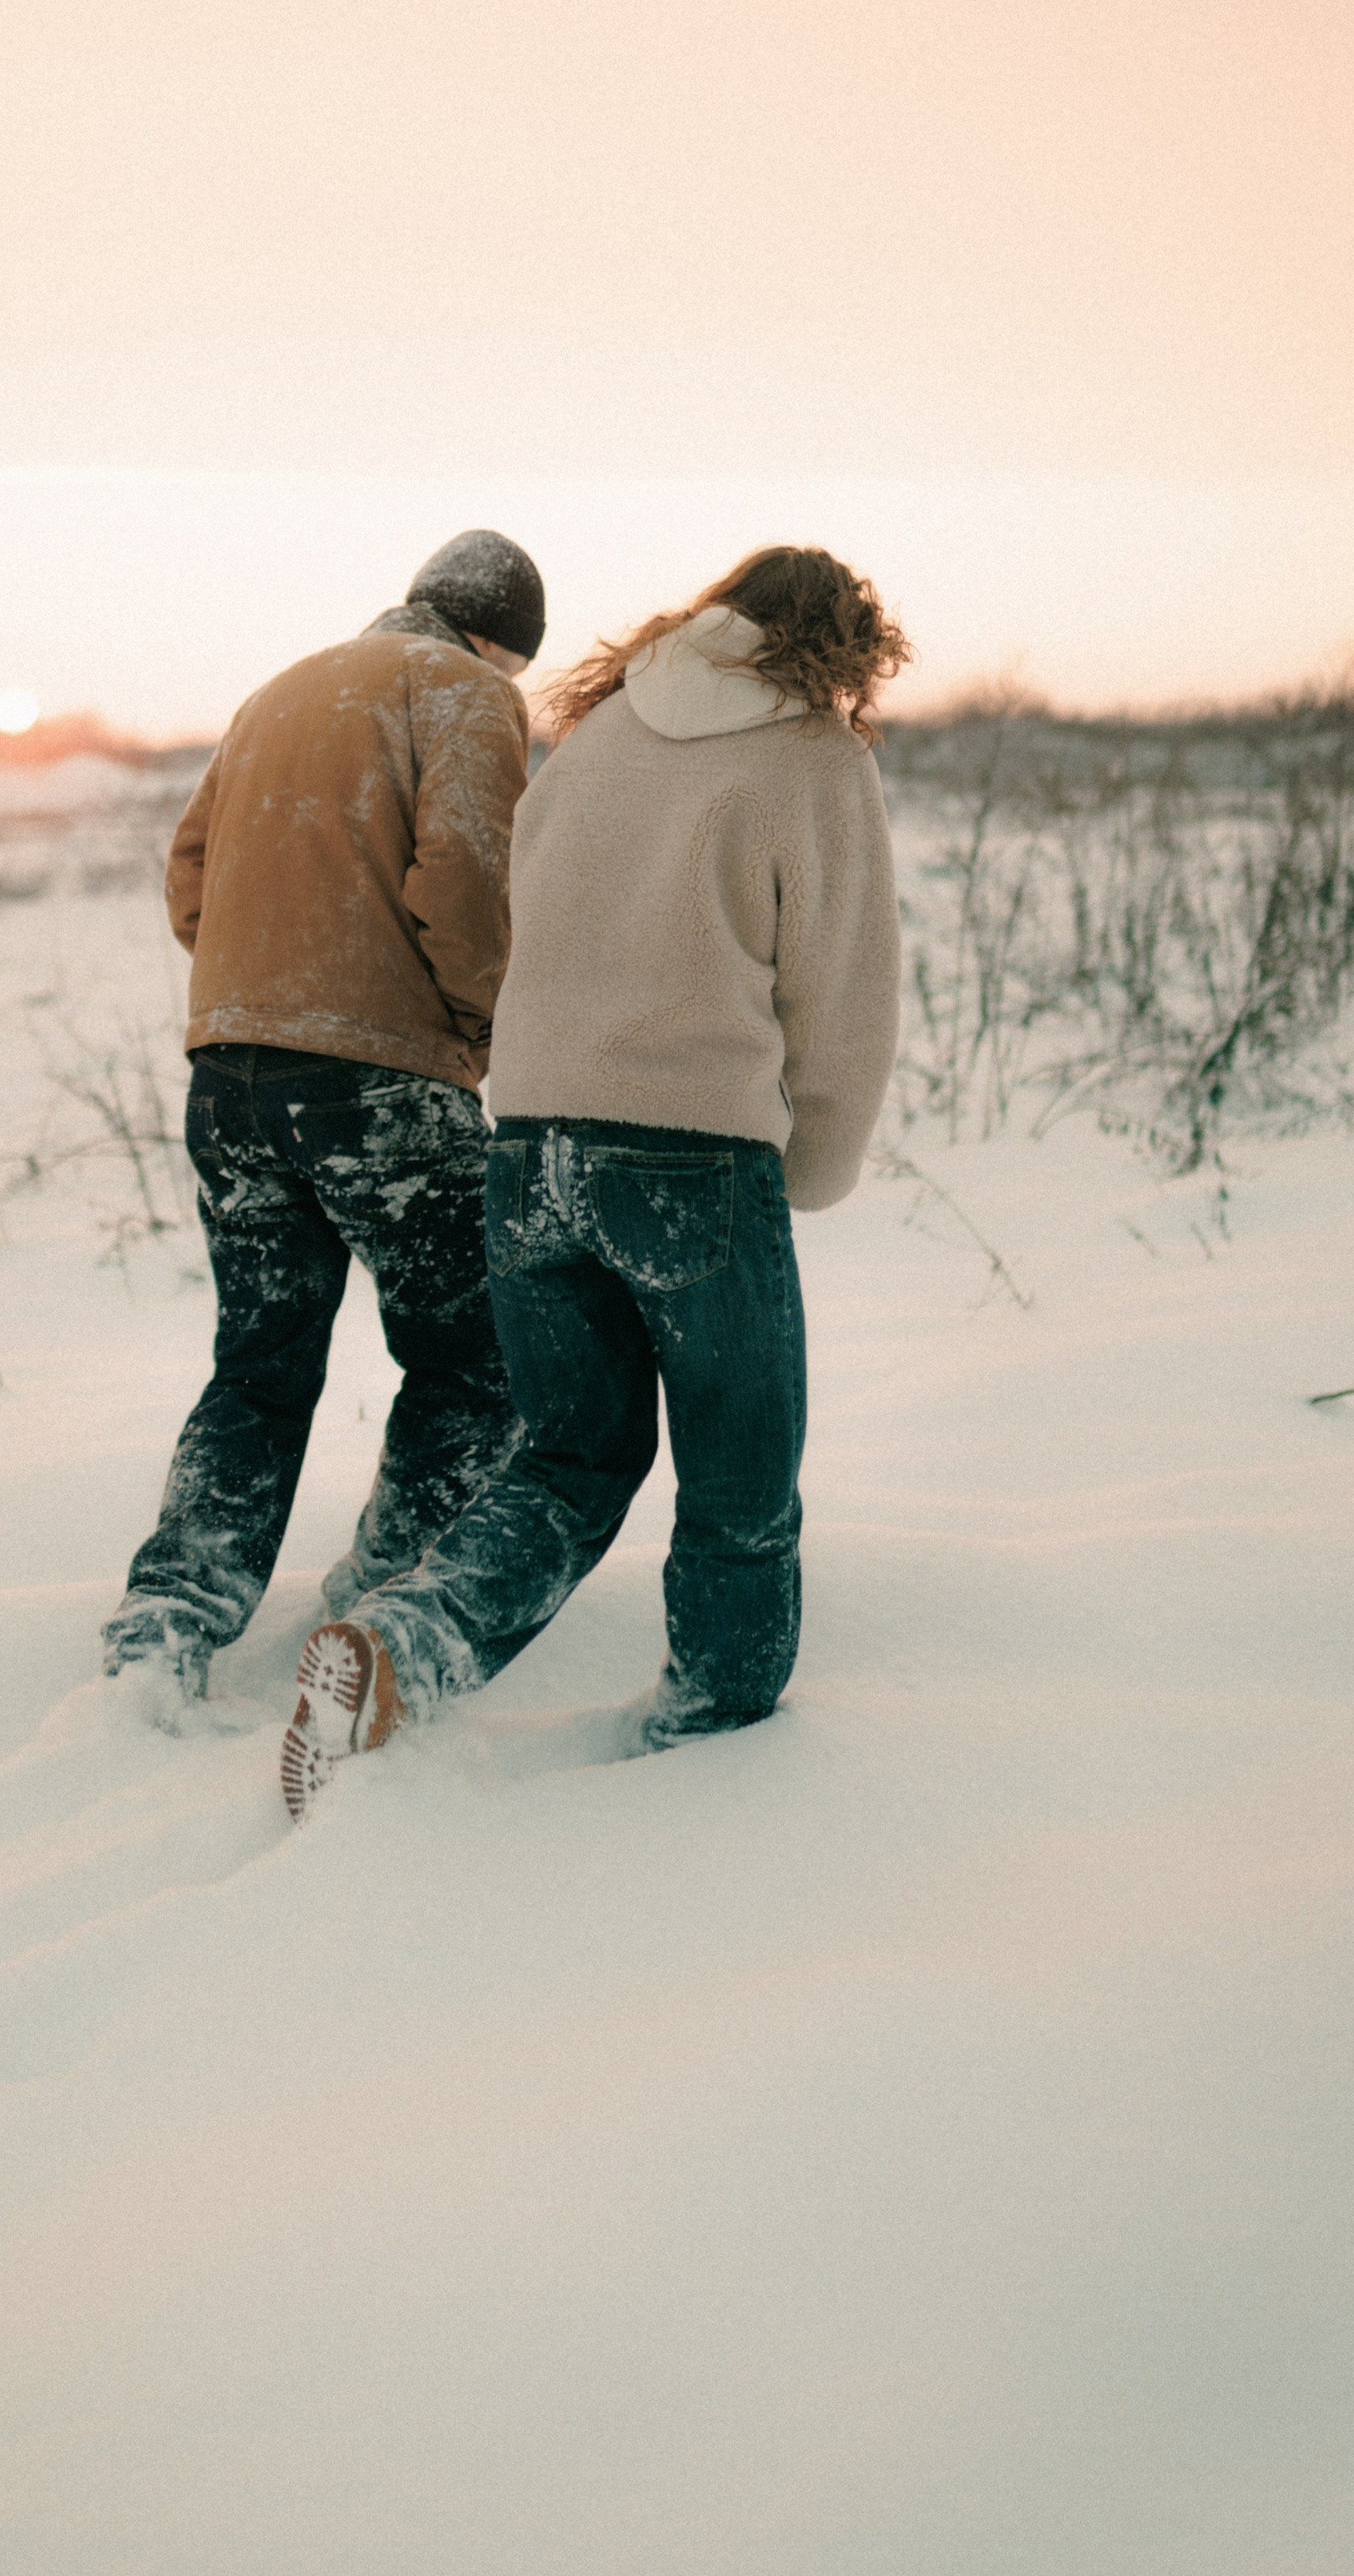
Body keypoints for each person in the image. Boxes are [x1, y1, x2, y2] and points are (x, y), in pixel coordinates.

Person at [278, 543, 910, 1814]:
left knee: (569, 1460)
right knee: (737, 1470)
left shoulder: (599, 738)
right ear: (838, 649)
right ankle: (717, 1739)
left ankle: (406, 1643)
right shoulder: (811, 761)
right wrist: (814, 1166)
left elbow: (523, 923)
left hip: (532, 1153)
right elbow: (845, 994)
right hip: (692, 1159)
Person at [103, 531, 546, 1712]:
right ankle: (384, 1611)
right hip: (384, 1083)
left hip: (230, 1075)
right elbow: (465, 879)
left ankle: (165, 1622)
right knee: (475, 1357)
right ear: (501, 643)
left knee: (258, 1363)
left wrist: (268, 987)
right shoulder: (465, 697)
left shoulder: (279, 691)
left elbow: (188, 877)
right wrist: (473, 1028)